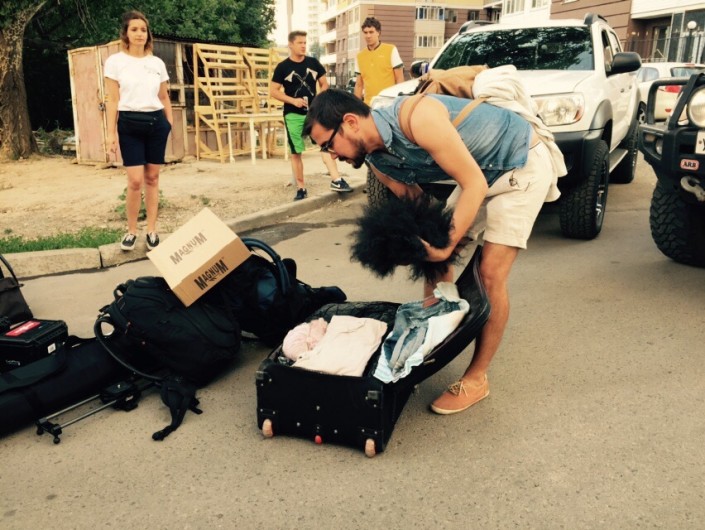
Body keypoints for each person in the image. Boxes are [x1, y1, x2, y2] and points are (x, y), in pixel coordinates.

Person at [304, 88, 562, 415]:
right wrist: (416, 247)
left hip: (520, 160)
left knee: (489, 274)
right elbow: (422, 211)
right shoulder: (378, 162)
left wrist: (446, 246)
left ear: (351, 122)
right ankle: (428, 346)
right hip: (482, 172)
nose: (331, 155)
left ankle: (476, 379)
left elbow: (474, 184)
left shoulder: (417, 117)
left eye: (328, 145)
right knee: (434, 256)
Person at [104, 10, 172, 251]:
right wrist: (110, 134)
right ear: (126, 33)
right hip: (129, 125)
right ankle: (131, 231)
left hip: (156, 124)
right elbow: (113, 100)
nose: (139, 34)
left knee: (152, 178)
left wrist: (169, 123)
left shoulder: (156, 63)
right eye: (134, 29)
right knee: (135, 181)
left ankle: (151, 230)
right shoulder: (115, 62)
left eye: (143, 29)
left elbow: (164, 96)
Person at [270, 31, 352, 201]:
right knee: (296, 152)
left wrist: (317, 102)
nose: (303, 46)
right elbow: (273, 91)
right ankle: (301, 188)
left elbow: (324, 84)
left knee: (326, 144)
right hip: (293, 115)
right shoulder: (283, 67)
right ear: (290, 45)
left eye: (305, 43)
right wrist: (293, 101)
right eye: (299, 43)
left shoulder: (313, 63)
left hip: (314, 113)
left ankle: (336, 180)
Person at [354, 17, 404, 105]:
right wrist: (356, 107)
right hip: (369, 105)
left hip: (388, 104)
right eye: (365, 32)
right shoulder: (360, 56)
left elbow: (399, 79)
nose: (368, 36)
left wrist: (399, 103)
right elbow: (359, 85)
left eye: (371, 32)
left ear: (378, 32)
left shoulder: (391, 50)